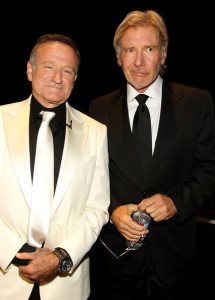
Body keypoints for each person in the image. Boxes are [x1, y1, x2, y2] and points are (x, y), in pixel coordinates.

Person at [89, 10, 215, 300]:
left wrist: (175, 202)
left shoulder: (197, 103)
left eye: (149, 49)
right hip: (116, 260)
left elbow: (208, 172)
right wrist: (113, 210)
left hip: (174, 259)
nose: (139, 61)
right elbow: (91, 178)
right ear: (118, 57)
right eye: (130, 50)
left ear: (164, 54)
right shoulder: (98, 109)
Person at [0, 34, 110, 300]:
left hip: (67, 286)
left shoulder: (96, 132)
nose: (57, 78)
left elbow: (97, 209)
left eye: (67, 70)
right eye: (49, 66)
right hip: (6, 279)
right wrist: (17, 253)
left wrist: (60, 257)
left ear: (75, 78)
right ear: (30, 69)